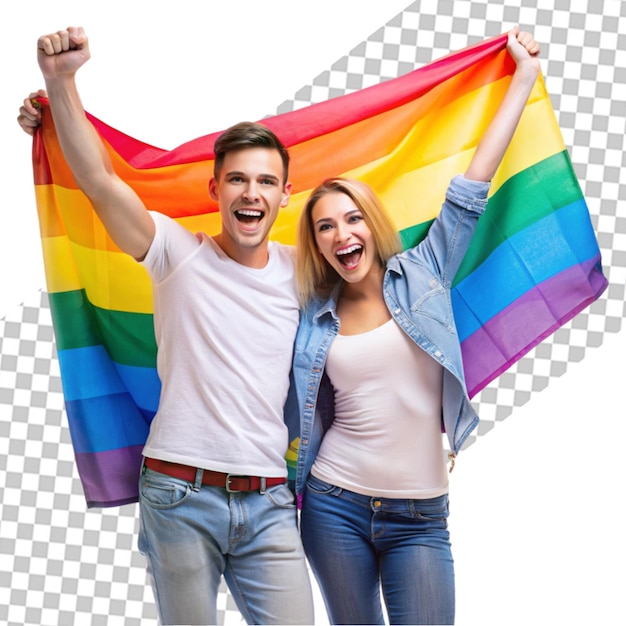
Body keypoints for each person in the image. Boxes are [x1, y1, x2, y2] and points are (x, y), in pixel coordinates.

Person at [23, 26, 314, 626]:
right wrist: (62, 83)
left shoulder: (304, 270)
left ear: (286, 195)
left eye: (265, 181)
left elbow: (391, 271)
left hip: (270, 504)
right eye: (237, 179)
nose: (250, 192)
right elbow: (101, 183)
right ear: (215, 189)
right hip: (179, 496)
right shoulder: (176, 253)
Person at [287, 28, 540, 625]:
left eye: (352, 218)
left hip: (421, 516)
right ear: (316, 244)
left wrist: (522, 75)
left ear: (371, 225)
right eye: (325, 226)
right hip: (332, 504)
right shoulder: (310, 314)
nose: (341, 234)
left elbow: (471, 187)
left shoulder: (424, 271)